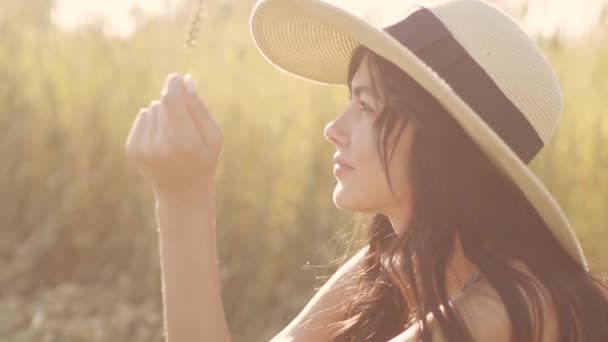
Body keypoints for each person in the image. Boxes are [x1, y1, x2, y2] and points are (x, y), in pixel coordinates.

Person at [125, 0, 608, 341]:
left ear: (445, 145)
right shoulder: (399, 261)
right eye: (348, 100)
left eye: (368, 105)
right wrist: (178, 199)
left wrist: (184, 202)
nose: (334, 128)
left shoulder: (509, 305)